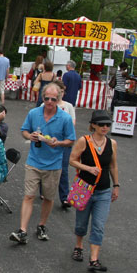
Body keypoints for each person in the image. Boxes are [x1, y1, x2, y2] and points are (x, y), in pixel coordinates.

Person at [10, 83, 75, 244]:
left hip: (53, 165)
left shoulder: (65, 118)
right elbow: (24, 130)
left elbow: (71, 140)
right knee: (29, 196)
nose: (50, 102)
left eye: (53, 99)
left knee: (48, 198)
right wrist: (29, 136)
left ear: (59, 99)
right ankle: (23, 230)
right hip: (34, 161)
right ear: (42, 97)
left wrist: (58, 143)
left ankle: (41, 225)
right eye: (47, 98)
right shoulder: (34, 113)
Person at [67, 110, 119, 271]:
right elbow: (72, 160)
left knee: (98, 225)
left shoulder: (112, 143)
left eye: (107, 125)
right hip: (85, 188)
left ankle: (94, 259)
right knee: (82, 223)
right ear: (93, 125)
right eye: (101, 124)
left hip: (103, 190)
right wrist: (87, 168)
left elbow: (112, 165)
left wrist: (116, 185)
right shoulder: (84, 141)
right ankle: (79, 246)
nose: (105, 127)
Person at [55, 80, 77, 208]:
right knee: (46, 168)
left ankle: (64, 197)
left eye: (62, 92)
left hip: (65, 141)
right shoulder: (46, 105)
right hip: (50, 141)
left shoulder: (68, 106)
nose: (61, 94)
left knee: (63, 170)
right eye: (59, 91)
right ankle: (43, 190)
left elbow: (72, 123)